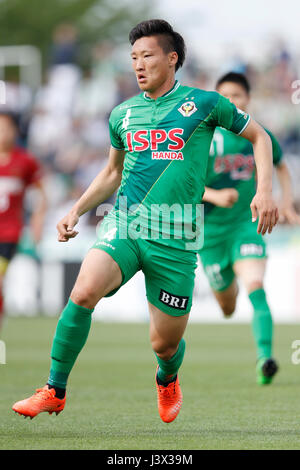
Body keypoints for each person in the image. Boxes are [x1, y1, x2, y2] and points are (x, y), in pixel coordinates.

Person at [12, 20, 278, 423]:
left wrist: (265, 191)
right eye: (133, 57)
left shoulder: (205, 103)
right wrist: (75, 210)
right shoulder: (122, 113)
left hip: (177, 240)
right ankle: (54, 388)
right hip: (127, 225)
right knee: (83, 291)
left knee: (165, 343)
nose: (138, 65)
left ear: (172, 59)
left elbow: (260, 137)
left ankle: (167, 377)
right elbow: (111, 174)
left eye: (147, 55)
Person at [199, 72, 300, 384]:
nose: (231, 101)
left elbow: (281, 165)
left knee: (256, 286)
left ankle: (265, 359)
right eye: (224, 95)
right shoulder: (203, 138)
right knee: (227, 306)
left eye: (237, 95)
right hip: (210, 235)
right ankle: (232, 281)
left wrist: (285, 201)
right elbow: (185, 185)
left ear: (248, 100)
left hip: (246, 225)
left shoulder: (258, 136)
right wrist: (215, 194)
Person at [0, 112, 47, 330]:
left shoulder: (25, 161)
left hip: (8, 233)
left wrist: (37, 224)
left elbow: (41, 196)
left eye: (6, 128)